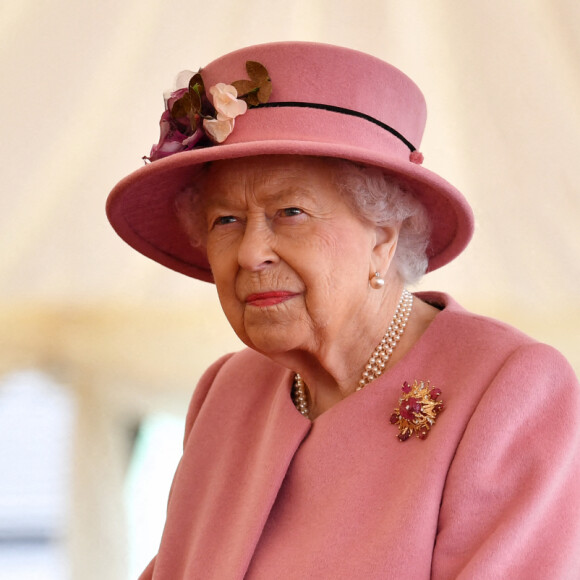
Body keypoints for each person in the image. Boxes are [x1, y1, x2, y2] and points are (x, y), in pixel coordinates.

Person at [107, 42, 580, 579]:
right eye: (226, 221)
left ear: (383, 239)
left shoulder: (507, 387)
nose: (250, 252)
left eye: (290, 212)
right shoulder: (227, 391)